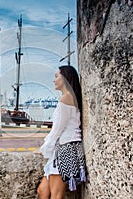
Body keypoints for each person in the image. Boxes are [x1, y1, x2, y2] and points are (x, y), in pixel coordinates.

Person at [37, 65, 86, 199]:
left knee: (56, 195)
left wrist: (45, 148)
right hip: (63, 148)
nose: (54, 80)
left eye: (56, 76)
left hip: (66, 149)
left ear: (65, 78)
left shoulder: (66, 98)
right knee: (42, 191)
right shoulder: (69, 97)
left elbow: (58, 129)